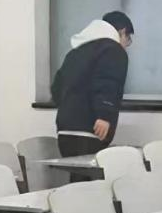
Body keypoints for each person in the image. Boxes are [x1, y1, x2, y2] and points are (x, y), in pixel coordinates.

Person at [52, 11, 134, 157]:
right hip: (91, 129)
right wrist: (104, 115)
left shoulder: (75, 52)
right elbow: (108, 82)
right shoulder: (113, 50)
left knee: (73, 171)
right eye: (128, 38)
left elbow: (57, 87)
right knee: (92, 171)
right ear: (122, 31)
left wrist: (68, 108)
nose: (127, 44)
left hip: (64, 130)